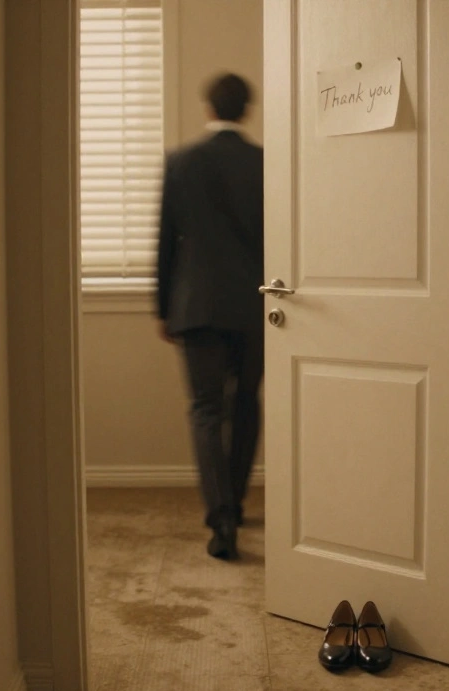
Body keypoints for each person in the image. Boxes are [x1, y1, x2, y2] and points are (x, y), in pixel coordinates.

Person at [156, 73, 264, 561]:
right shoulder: (265, 162)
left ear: (208, 106)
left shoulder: (181, 162)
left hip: (195, 305)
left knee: (205, 409)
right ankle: (237, 504)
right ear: (247, 109)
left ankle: (220, 519)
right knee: (245, 402)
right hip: (254, 305)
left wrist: (162, 308)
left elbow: (165, 243)